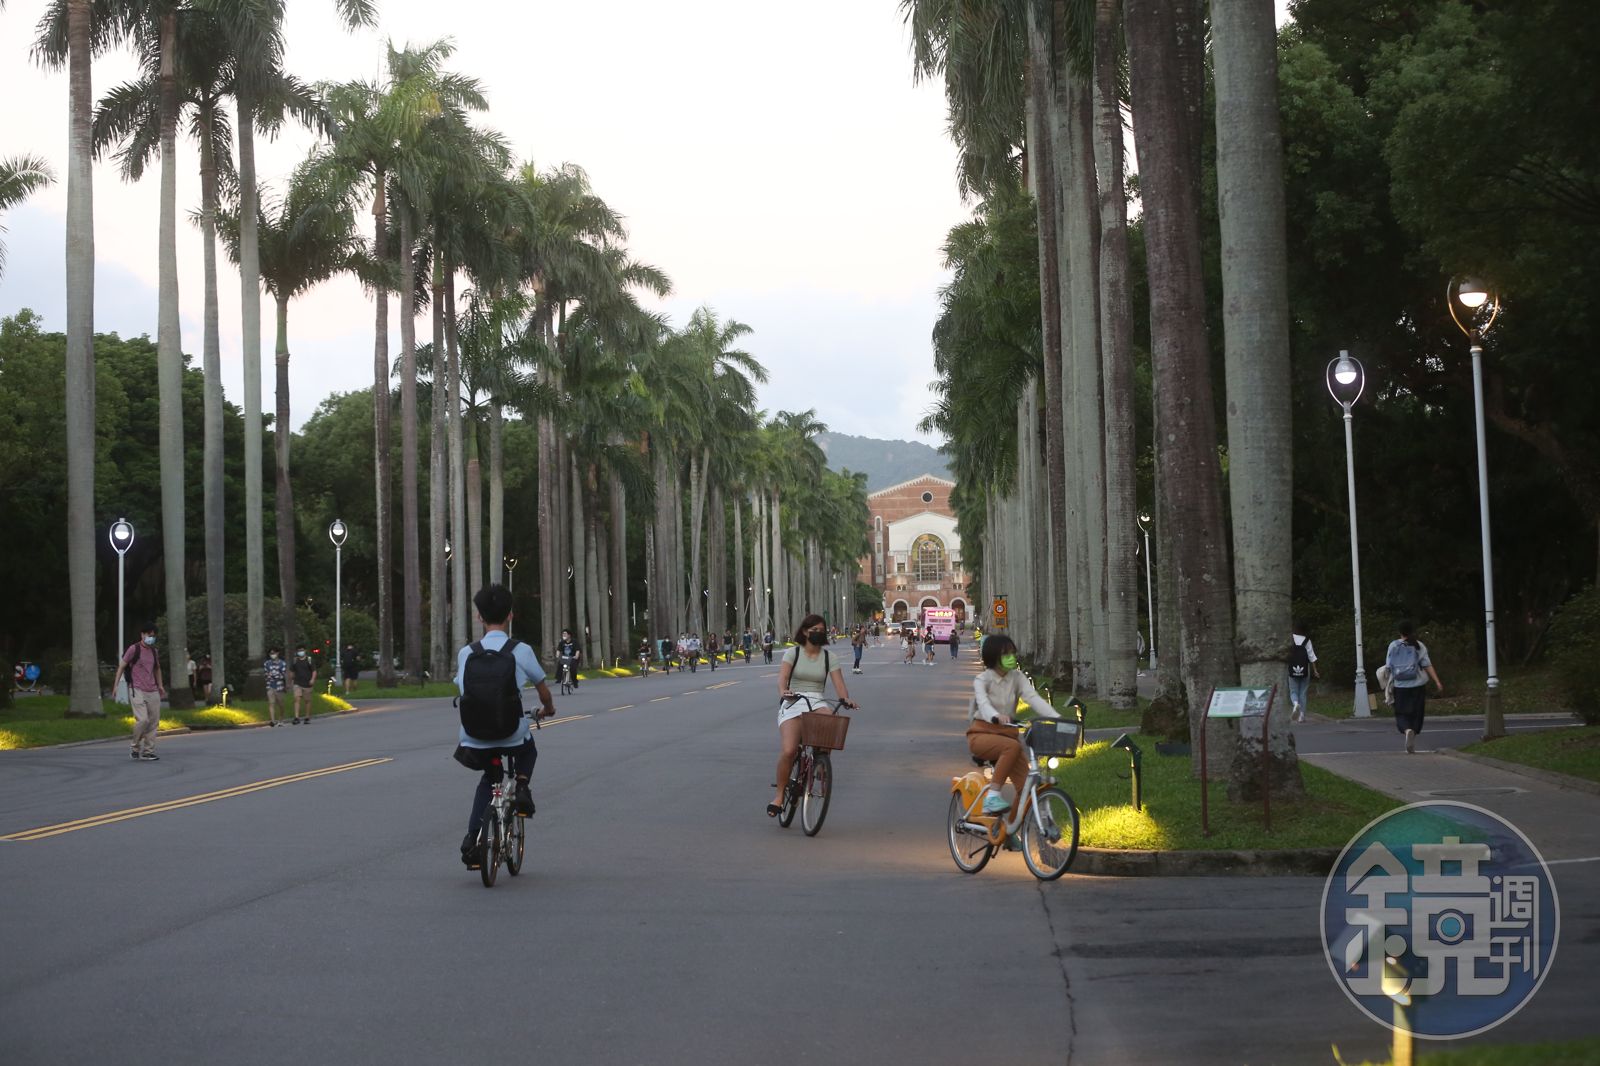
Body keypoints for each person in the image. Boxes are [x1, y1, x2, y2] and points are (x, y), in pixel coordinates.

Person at [453, 583, 556, 867]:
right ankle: (521, 786)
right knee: (528, 750)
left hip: (474, 736)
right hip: (511, 732)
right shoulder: (520, 650)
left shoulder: (467, 653)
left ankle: (473, 838)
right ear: (510, 615)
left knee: (488, 779)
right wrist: (547, 709)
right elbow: (542, 688)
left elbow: (463, 690)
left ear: (479, 617)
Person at [769, 613, 857, 816]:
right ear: (804, 631)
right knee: (790, 750)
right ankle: (780, 796)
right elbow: (782, 679)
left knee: (830, 724)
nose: (817, 633)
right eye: (813, 630)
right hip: (793, 700)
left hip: (817, 700)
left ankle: (819, 764)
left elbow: (840, 686)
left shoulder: (829, 657)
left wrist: (846, 699)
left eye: (821, 630)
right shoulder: (793, 653)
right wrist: (784, 692)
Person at [968, 634, 1059, 814]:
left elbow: (1033, 698)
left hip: (1008, 736)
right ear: (993, 656)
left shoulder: (1017, 677)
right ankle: (993, 796)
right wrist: (996, 716)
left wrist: (1056, 717)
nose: (1011, 657)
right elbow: (984, 705)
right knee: (1012, 747)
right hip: (981, 734)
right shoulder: (982, 679)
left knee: (1027, 788)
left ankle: (1009, 831)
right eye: (1006, 654)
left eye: (1012, 653)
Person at [112, 622, 167, 761]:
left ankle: (148, 751)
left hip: (152, 689)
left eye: (153, 636)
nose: (151, 638)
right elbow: (122, 666)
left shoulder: (154, 651)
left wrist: (160, 685)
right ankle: (135, 746)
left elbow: (157, 668)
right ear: (142, 635)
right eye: (149, 635)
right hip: (137, 688)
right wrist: (116, 686)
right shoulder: (134, 649)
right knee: (142, 720)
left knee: (153, 722)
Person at [1386, 620, 1443, 754]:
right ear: (1412, 631)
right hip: (1418, 685)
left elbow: (1389, 667)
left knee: (1401, 712)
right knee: (1417, 712)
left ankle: (1406, 730)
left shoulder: (1393, 645)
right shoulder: (1419, 646)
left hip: (1400, 686)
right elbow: (1427, 665)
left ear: (1399, 632)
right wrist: (1437, 681)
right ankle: (1413, 732)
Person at [1287, 621, 1320, 723]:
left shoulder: (1290, 638)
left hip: (1292, 669)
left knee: (1293, 691)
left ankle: (1295, 704)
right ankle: (1301, 716)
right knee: (1303, 693)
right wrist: (1315, 671)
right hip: (1305, 669)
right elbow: (1312, 657)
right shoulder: (1307, 640)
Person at [289, 646, 316, 724]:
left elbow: (314, 671)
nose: (300, 652)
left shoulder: (309, 660)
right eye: (299, 651)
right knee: (297, 699)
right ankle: (296, 717)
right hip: (297, 683)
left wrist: (312, 679)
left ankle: (307, 717)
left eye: (302, 650)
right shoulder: (295, 660)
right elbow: (291, 671)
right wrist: (291, 679)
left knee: (307, 701)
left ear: (305, 651)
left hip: (307, 683)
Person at [263, 647, 288, 726]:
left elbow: (283, 674)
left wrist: (275, 675)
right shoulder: (267, 663)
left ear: (277, 653)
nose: (272, 655)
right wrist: (269, 675)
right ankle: (272, 720)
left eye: (274, 653)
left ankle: (281, 718)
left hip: (279, 685)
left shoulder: (282, 663)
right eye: (271, 653)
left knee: (280, 703)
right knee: (271, 703)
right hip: (270, 685)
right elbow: (266, 674)